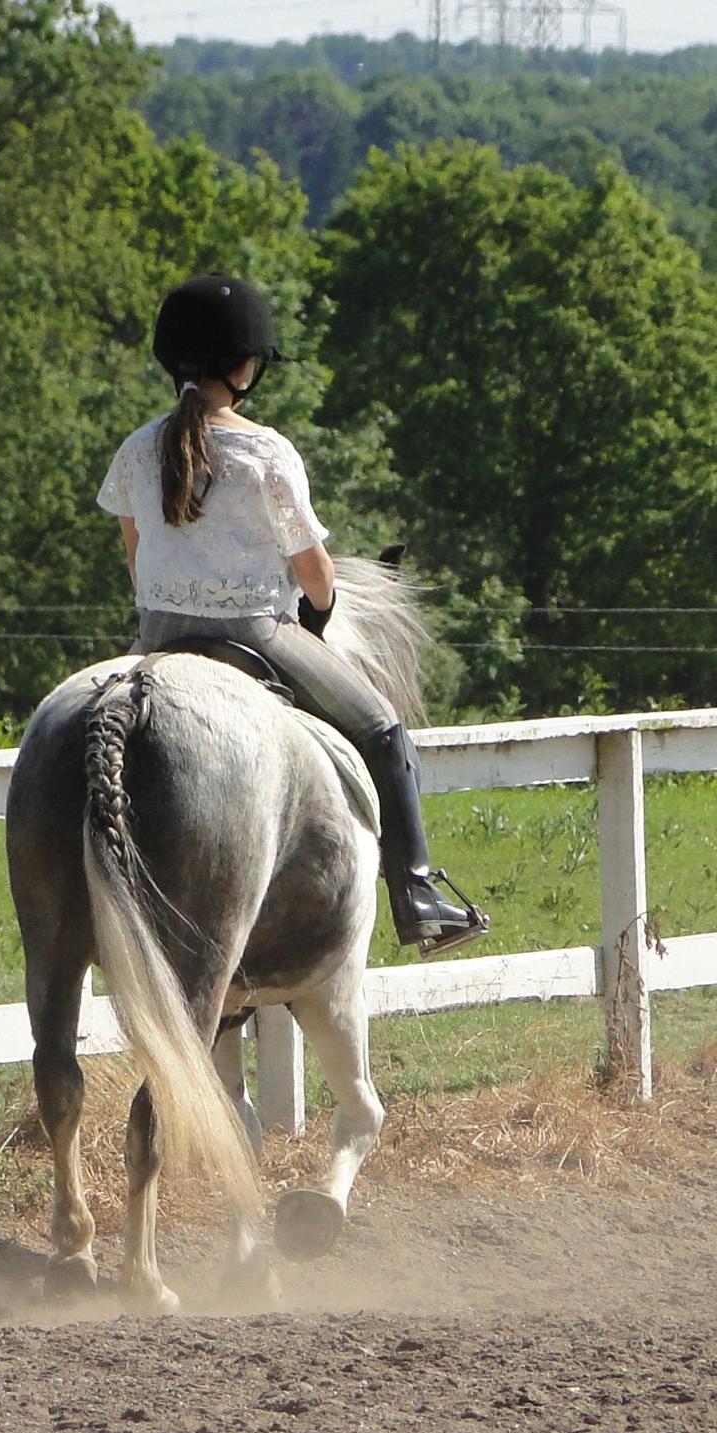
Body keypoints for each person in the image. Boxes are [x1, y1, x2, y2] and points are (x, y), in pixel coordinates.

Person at [96, 271, 488, 957]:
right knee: (384, 728)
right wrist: (322, 609)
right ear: (246, 366)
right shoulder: (266, 452)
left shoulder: (136, 448)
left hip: (155, 638)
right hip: (254, 634)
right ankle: (419, 894)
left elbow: (134, 557)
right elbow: (315, 573)